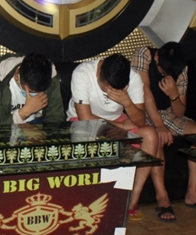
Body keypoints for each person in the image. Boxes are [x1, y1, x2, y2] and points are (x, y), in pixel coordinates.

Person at [66, 54, 159, 222]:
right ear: (98, 74)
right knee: (85, 138)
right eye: (107, 89)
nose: (111, 93)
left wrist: (127, 102)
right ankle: (87, 202)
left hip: (118, 120)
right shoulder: (82, 73)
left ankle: (133, 200)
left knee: (150, 135)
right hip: (83, 120)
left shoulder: (133, 76)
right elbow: (85, 117)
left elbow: (140, 120)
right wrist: (120, 126)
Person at [131, 42, 196, 221]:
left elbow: (179, 112)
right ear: (157, 57)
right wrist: (159, 125)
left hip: (167, 114)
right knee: (155, 137)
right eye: (163, 71)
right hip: (142, 112)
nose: (165, 75)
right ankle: (162, 196)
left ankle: (192, 193)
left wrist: (173, 95)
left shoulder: (180, 68)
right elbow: (144, 92)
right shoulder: (144, 54)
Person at [0, 52, 64, 125]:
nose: (33, 94)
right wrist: (26, 111)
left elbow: (56, 118)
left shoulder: (50, 77)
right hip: (9, 128)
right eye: (29, 90)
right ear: (17, 75)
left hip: (38, 127)